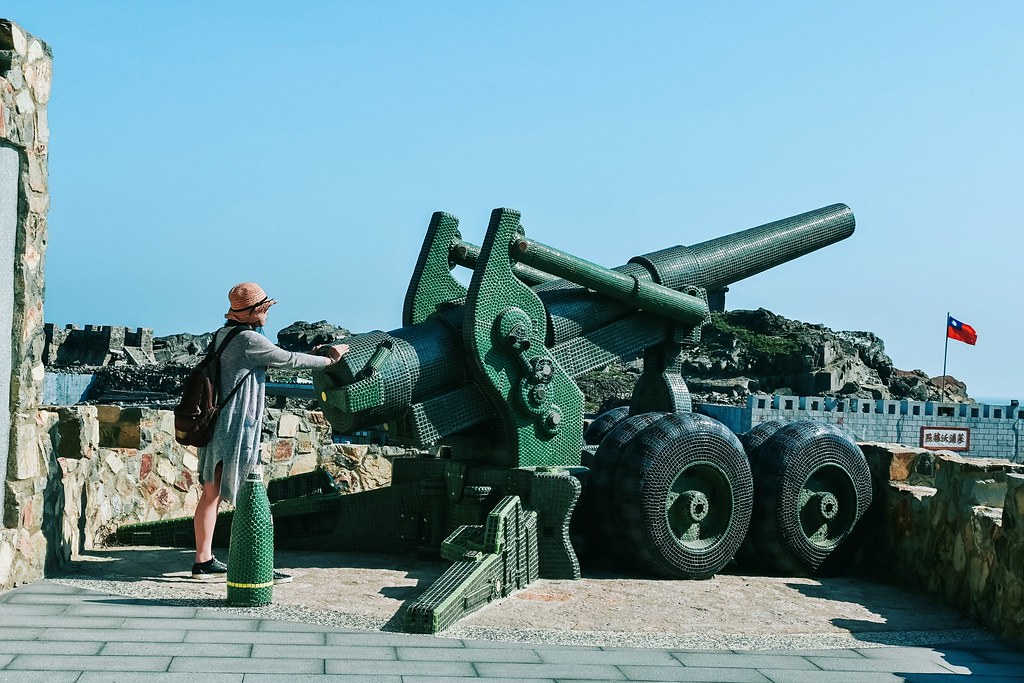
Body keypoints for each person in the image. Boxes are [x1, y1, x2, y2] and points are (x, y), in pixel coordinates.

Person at [192, 282, 348, 581]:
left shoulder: (226, 334)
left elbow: (275, 353)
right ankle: (256, 564)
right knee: (250, 494)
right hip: (235, 426)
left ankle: (203, 560)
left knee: (210, 494)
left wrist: (311, 352)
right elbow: (287, 360)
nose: (267, 313)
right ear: (253, 311)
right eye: (264, 308)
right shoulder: (249, 339)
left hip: (216, 421)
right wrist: (328, 361)